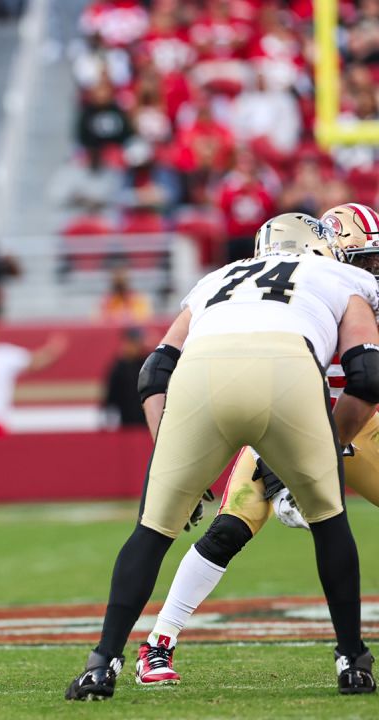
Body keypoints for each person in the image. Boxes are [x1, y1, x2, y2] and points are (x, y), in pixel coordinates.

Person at [65, 213, 379, 701]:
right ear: (330, 249)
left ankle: (101, 662)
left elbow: (156, 370)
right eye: (369, 259)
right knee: (248, 523)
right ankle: (347, 657)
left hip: (328, 417)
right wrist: (318, 455)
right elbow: (367, 371)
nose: (374, 268)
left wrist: (172, 458)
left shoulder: (220, 276)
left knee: (153, 528)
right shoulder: (345, 280)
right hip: (300, 407)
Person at [101, 327, 148, 429]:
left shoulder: (145, 364)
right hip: (126, 424)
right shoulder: (118, 368)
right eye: (133, 342)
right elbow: (110, 398)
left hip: (145, 424)